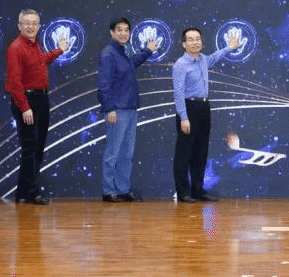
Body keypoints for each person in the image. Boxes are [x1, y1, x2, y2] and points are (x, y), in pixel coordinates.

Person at [4, 9, 69, 205]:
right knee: (30, 147)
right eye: (27, 23)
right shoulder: (16, 48)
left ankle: (25, 193)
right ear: (19, 26)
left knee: (37, 147)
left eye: (34, 23)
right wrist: (25, 107)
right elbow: (14, 83)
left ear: (39, 26)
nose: (31, 26)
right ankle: (30, 192)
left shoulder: (34, 45)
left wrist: (59, 50)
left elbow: (40, 61)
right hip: (27, 101)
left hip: (41, 99)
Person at [172, 27, 239, 203]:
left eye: (198, 39)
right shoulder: (180, 65)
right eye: (191, 39)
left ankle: (198, 190)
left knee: (201, 152)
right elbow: (178, 93)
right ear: (184, 44)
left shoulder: (203, 60)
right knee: (184, 153)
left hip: (203, 108)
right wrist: (183, 117)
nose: (195, 42)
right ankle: (183, 192)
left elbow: (215, 57)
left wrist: (230, 47)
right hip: (188, 108)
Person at [97, 17, 158, 202]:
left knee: (127, 153)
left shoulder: (124, 51)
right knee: (113, 153)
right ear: (112, 32)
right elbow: (103, 84)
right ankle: (109, 191)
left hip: (130, 109)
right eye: (119, 29)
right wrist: (109, 108)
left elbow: (131, 64)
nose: (123, 33)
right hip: (117, 110)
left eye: (126, 30)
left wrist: (147, 51)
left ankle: (123, 189)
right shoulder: (108, 53)